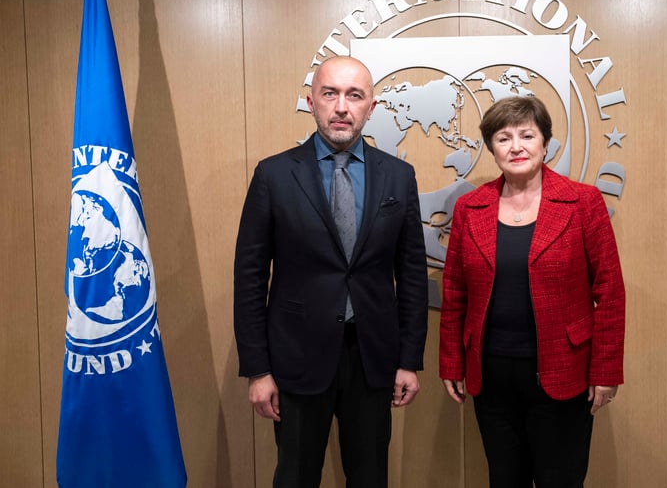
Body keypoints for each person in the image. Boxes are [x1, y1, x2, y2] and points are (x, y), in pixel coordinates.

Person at [234, 56, 429, 488]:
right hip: (295, 360)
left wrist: (409, 360)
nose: (342, 106)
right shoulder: (274, 175)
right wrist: (258, 370)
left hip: (372, 359)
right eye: (330, 94)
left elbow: (411, 273)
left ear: (371, 107)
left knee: (369, 477)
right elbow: (249, 277)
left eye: (354, 95)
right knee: (296, 477)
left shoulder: (398, 177)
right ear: (311, 102)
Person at [439, 95, 625, 487]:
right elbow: (454, 293)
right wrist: (452, 363)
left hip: (565, 371)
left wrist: (605, 370)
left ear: (545, 143)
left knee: (561, 479)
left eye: (527, 135)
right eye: (504, 138)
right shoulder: (470, 207)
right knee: (506, 479)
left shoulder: (582, 203)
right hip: (491, 375)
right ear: (491, 147)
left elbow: (609, 292)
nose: (516, 146)